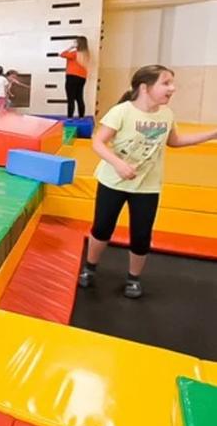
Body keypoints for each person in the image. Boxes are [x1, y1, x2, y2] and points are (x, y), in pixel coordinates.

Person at [78, 65, 217, 298]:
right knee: (102, 229)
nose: (172, 88)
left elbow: (175, 141)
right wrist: (118, 164)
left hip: (147, 186)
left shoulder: (166, 115)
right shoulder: (122, 111)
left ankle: (133, 278)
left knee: (141, 235)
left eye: (172, 83)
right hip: (113, 182)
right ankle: (89, 268)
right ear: (145, 87)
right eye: (166, 83)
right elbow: (98, 142)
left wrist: (212, 134)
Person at [60, 36, 89, 118]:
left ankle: (70, 118)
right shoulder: (86, 54)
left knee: (71, 99)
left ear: (78, 44)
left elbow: (62, 54)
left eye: (75, 42)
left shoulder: (74, 53)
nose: (73, 43)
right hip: (82, 78)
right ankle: (81, 117)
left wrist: (70, 47)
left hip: (72, 77)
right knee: (79, 97)